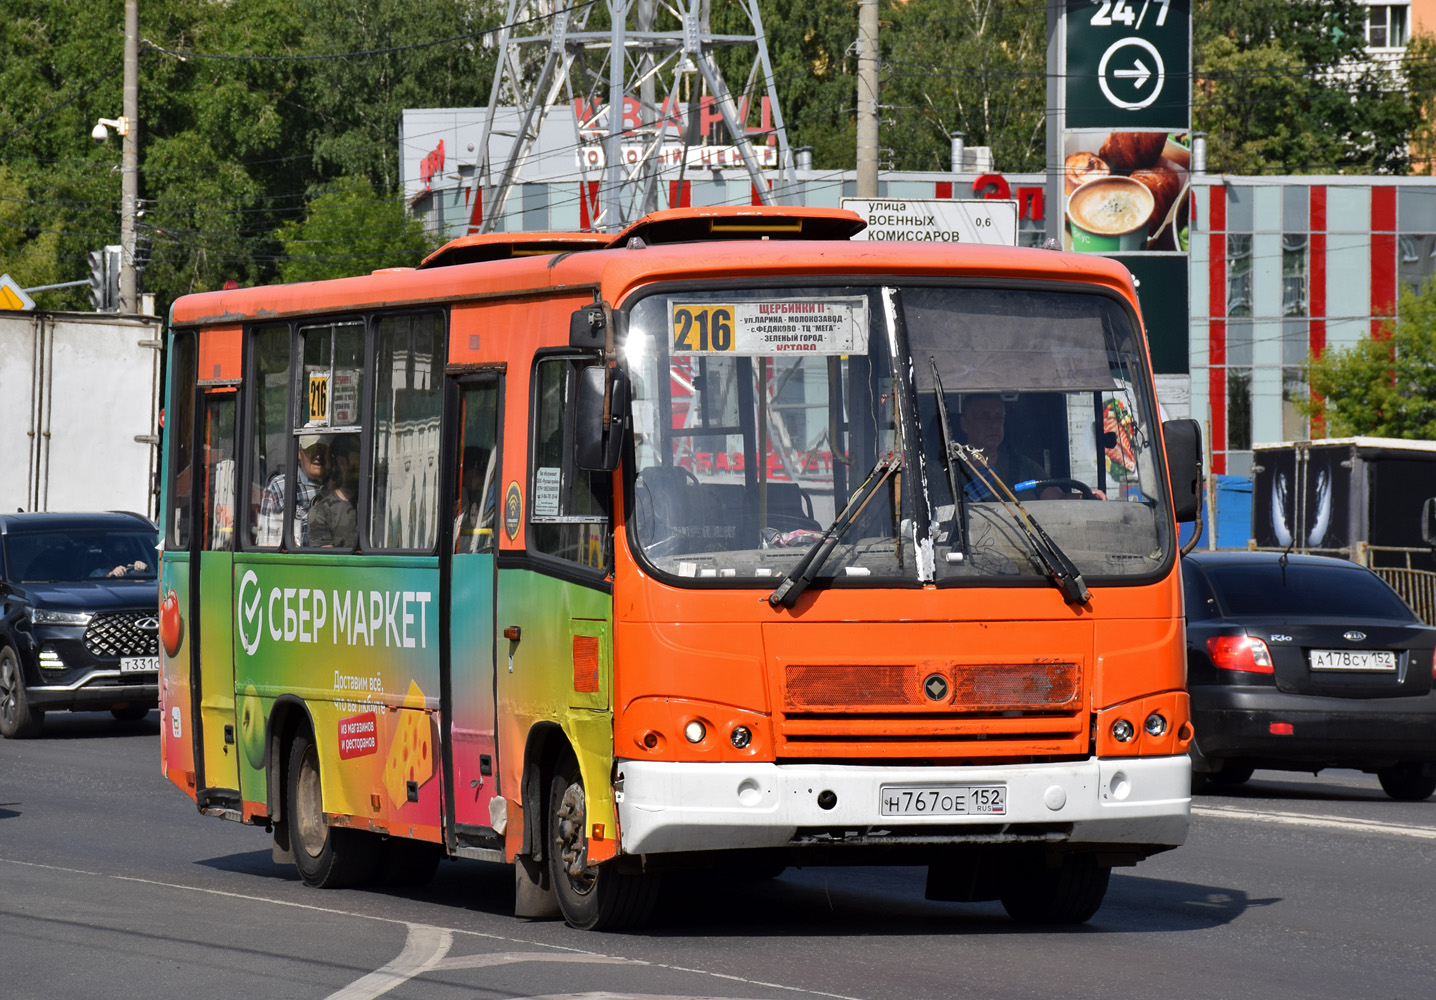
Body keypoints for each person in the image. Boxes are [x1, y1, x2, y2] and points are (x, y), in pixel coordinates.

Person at [256, 433, 328, 546]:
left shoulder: (339, 486)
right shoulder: (280, 487)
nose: (318, 456)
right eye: (312, 449)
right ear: (300, 453)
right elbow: (266, 543)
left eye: (323, 449)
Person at [309, 433, 359, 549]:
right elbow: (328, 564)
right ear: (341, 462)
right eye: (356, 451)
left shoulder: (374, 504)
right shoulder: (321, 512)